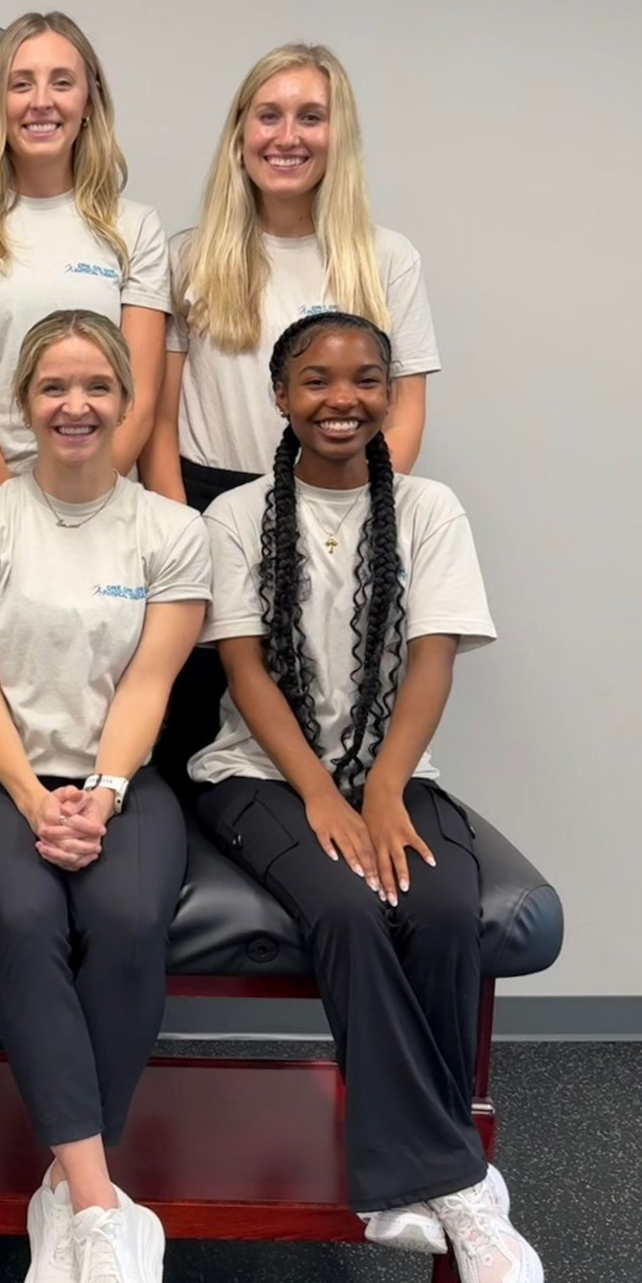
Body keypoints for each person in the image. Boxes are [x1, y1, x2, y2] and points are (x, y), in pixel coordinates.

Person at [190, 311, 544, 1283]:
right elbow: (246, 669)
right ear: (280, 395)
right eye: (315, 379)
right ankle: (458, 1182)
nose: (340, 398)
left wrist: (383, 789)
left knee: (437, 908)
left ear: (391, 391)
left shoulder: (431, 509)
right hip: (259, 777)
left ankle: (413, 1172)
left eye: (363, 379)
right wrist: (317, 794)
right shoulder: (237, 516)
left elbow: (432, 655)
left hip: (395, 769)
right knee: (344, 909)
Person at [0, 311, 207, 1283]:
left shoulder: (171, 532)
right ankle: (100, 1211)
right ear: (21, 403)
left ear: (129, 403)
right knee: (28, 912)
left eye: (97, 387)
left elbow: (149, 684)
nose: (75, 406)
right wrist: (38, 802)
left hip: (120, 778)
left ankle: (62, 1191)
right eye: (53, 388)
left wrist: (107, 791)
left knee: (129, 919)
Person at [144, 43, 441, 780]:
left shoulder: (384, 258)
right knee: (196, 729)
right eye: (269, 116)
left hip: (340, 505)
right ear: (239, 132)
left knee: (323, 728)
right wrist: (185, 531)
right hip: (210, 506)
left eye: (311, 117)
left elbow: (403, 413)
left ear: (338, 137)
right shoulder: (188, 257)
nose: (288, 137)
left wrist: (352, 510)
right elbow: (156, 417)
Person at [0, 9, 171, 779]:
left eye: (61, 80)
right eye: (21, 83)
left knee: (101, 752)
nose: (41, 100)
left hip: (108, 526)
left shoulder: (132, 228)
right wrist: (27, 523)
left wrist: (80, 514)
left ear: (91, 98)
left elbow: (140, 396)